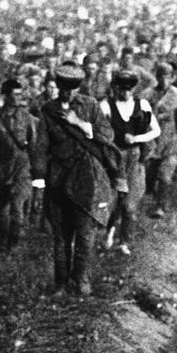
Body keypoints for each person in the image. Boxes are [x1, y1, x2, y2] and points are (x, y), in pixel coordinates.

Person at [32, 64, 117, 295]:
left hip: (86, 178)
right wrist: (39, 181)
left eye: (74, 89)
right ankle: (60, 282)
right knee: (61, 236)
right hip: (58, 177)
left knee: (84, 233)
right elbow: (41, 147)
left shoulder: (90, 106)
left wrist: (79, 123)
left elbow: (107, 135)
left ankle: (80, 279)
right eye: (65, 88)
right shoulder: (49, 110)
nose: (69, 93)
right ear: (58, 86)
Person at [0, 79, 37, 253]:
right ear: (6, 96)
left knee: (17, 206)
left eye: (20, 94)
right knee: (1, 208)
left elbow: (34, 144)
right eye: (15, 94)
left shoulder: (27, 118)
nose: (19, 97)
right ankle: (3, 238)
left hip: (21, 168)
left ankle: (14, 243)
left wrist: (36, 170)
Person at [103, 71, 159, 255]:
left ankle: (125, 241)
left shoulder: (141, 105)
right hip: (115, 158)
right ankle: (109, 231)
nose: (126, 93)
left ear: (134, 89)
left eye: (129, 89)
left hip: (135, 158)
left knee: (130, 205)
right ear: (115, 88)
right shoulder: (107, 106)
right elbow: (99, 130)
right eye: (122, 89)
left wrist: (137, 138)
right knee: (115, 201)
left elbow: (155, 130)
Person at [142, 62, 177, 219]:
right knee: (149, 177)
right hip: (152, 144)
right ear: (156, 77)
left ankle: (161, 207)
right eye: (161, 77)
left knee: (164, 175)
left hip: (171, 144)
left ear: (173, 78)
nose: (164, 81)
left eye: (168, 77)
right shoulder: (147, 95)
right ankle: (152, 199)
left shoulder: (176, 96)